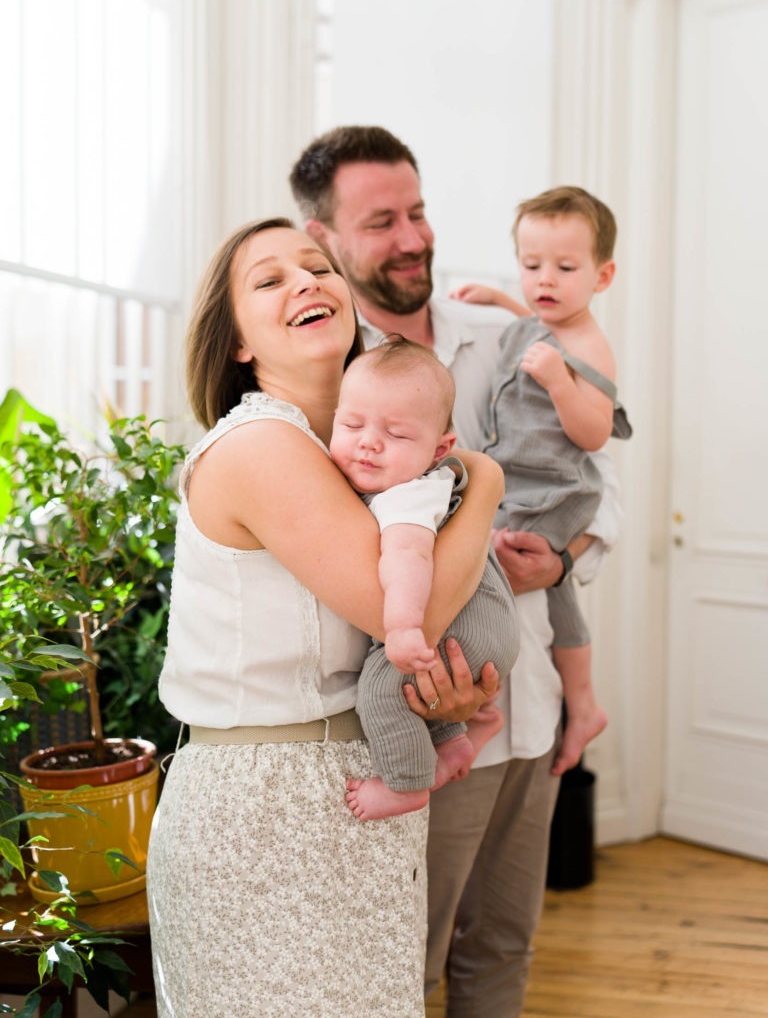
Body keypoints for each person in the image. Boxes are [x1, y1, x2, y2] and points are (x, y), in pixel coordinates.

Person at [290, 127, 624, 1017]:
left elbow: (600, 485)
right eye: (381, 221)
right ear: (323, 240)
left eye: (419, 210)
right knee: (410, 958)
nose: (413, 238)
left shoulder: (514, 332)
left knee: (505, 947)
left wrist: (563, 555)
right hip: (430, 721)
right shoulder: (328, 383)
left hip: (532, 706)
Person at [146, 217, 505, 1018]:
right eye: (269, 280)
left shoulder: (365, 461)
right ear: (236, 341)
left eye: (317, 267)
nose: (307, 281)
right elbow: (393, 607)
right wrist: (482, 479)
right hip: (262, 809)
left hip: (355, 785)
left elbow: (402, 636)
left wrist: (437, 698)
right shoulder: (259, 448)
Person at [451, 186, 632, 775]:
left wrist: (560, 382)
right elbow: (531, 323)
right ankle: (579, 704)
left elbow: (595, 432)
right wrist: (501, 300)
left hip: (558, 486)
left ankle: (559, 701)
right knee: (546, 586)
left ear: (602, 277)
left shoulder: (588, 346)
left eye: (564, 267)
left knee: (510, 572)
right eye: (531, 267)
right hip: (521, 480)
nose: (544, 280)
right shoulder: (540, 325)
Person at [330, 336, 519, 821]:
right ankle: (454, 744)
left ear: (440, 449)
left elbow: (408, 557)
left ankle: (406, 785)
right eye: (352, 424)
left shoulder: (407, 497)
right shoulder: (414, 483)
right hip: (486, 623)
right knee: (407, 683)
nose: (369, 441)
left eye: (395, 434)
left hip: (467, 626)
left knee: (380, 687)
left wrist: (406, 627)